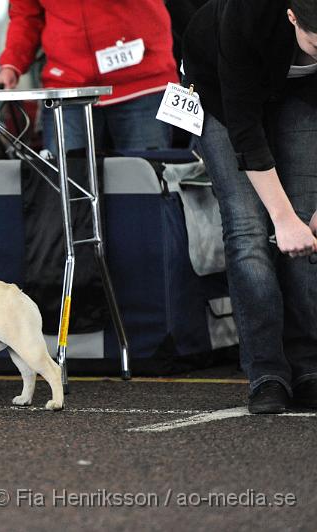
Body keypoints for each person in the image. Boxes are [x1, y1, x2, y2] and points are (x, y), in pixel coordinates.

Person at [183, 0, 317, 414]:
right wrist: (283, 218)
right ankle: (267, 373)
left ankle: (309, 367)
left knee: (308, 233)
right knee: (249, 232)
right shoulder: (248, 12)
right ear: (294, 17)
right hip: (222, 94)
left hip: (301, 95)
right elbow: (245, 129)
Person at [0, 0, 178, 157]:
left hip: (142, 83)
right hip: (67, 88)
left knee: (146, 187)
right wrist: (11, 66)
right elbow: (26, 16)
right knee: (63, 188)